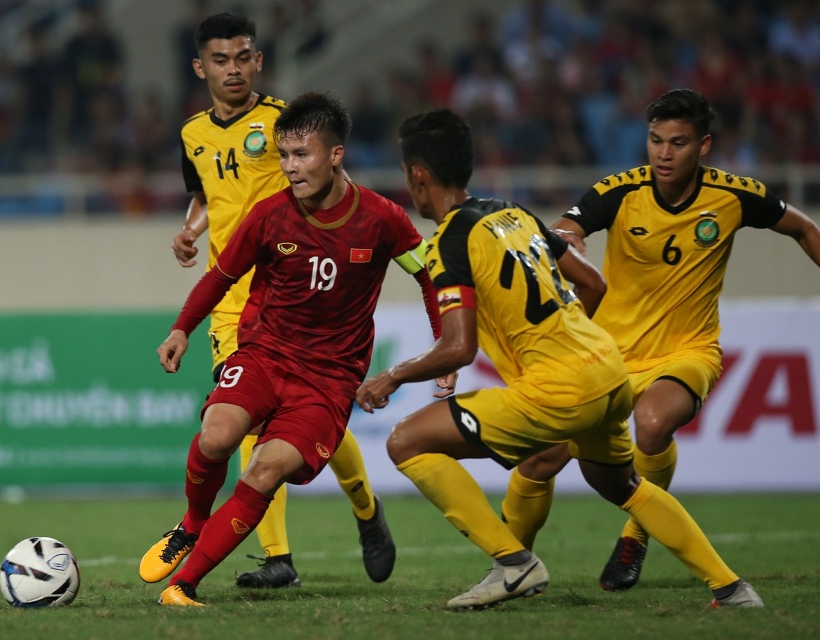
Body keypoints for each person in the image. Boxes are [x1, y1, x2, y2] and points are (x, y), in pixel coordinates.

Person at [355, 108, 763, 611]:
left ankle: (513, 563)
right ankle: (732, 589)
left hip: (562, 386)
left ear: (417, 176)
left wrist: (390, 378)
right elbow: (593, 283)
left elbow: (458, 347)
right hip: (609, 368)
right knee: (623, 485)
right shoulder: (515, 214)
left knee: (406, 441)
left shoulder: (449, 242)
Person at [500, 88, 820, 592]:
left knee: (651, 426)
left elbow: (803, 228)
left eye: (678, 142)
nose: (664, 154)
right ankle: (511, 568)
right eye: (655, 141)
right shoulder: (620, 191)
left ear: (704, 145)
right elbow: (564, 227)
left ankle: (635, 535)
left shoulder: (734, 195)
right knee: (539, 459)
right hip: (609, 354)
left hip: (687, 350)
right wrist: (570, 240)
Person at [141, 91, 442, 607]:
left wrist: (446, 346)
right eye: (283, 156)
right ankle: (192, 523)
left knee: (264, 469)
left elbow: (430, 279)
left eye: (301, 155)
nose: (289, 167)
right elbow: (220, 276)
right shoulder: (269, 216)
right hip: (264, 354)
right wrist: (180, 329)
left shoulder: (383, 218)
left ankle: (183, 586)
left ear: (335, 154)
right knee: (216, 437)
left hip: (327, 380)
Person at [154, 12, 398, 590]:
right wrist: (191, 228)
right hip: (230, 298)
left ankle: (364, 506)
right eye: (221, 59)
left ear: (258, 61)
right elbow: (206, 193)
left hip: (293, 294)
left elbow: (327, 191)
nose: (233, 69)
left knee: (303, 420)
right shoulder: (193, 134)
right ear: (201, 67)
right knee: (241, 426)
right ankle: (277, 557)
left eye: (243, 57)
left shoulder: (286, 124)